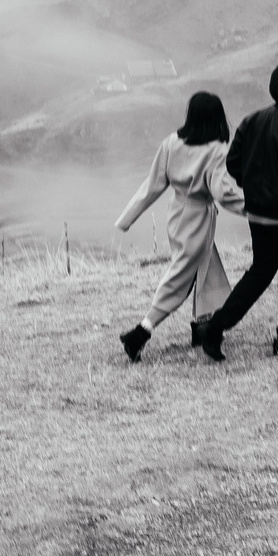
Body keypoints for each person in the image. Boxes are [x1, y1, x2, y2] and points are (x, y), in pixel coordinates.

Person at [192, 58, 278, 360]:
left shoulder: (251, 121)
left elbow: (233, 165)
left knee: (260, 272)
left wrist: (253, 188)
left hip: (257, 216)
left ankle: (215, 329)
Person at [113, 91, 246, 361]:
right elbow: (222, 192)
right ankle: (140, 333)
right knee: (182, 275)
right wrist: (257, 208)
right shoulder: (218, 149)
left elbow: (153, 185)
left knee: (204, 267)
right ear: (218, 117)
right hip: (198, 214)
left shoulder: (172, 141)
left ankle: (202, 327)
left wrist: (126, 219)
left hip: (178, 211)